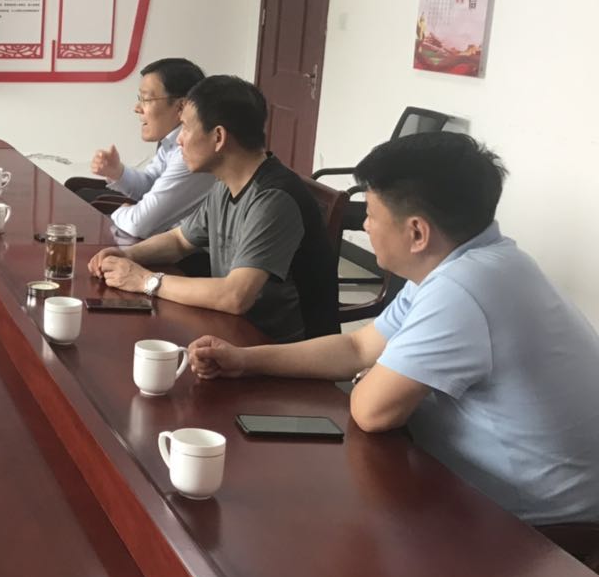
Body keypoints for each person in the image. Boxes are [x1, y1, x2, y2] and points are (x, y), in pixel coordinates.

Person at [187, 132, 599, 526]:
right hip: (493, 488)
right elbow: (357, 347)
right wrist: (244, 360)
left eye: (371, 214)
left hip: (534, 522)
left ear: (417, 232)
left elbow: (372, 410)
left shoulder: (463, 288)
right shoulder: (467, 262)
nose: (365, 226)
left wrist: (375, 378)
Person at [87, 75, 338, 342]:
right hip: (232, 330)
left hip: (281, 348)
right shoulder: (225, 185)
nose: (179, 140)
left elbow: (235, 296)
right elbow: (180, 240)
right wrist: (128, 255)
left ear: (218, 137)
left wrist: (146, 281)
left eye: (185, 128)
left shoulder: (273, 199)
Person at [67, 57, 215, 246]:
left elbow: (138, 224)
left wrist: (120, 211)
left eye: (146, 99)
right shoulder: (171, 141)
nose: (137, 108)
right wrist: (118, 173)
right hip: (166, 242)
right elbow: (152, 185)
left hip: (189, 255)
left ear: (181, 106)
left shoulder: (191, 151)